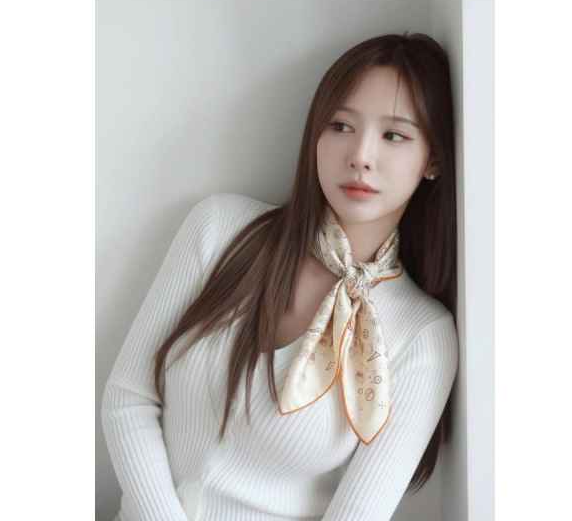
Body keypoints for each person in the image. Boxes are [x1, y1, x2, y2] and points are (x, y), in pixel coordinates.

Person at [101, 32, 460, 521]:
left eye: (394, 135)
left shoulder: (422, 335)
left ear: (433, 159)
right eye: (340, 126)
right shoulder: (219, 229)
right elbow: (128, 400)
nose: (360, 155)